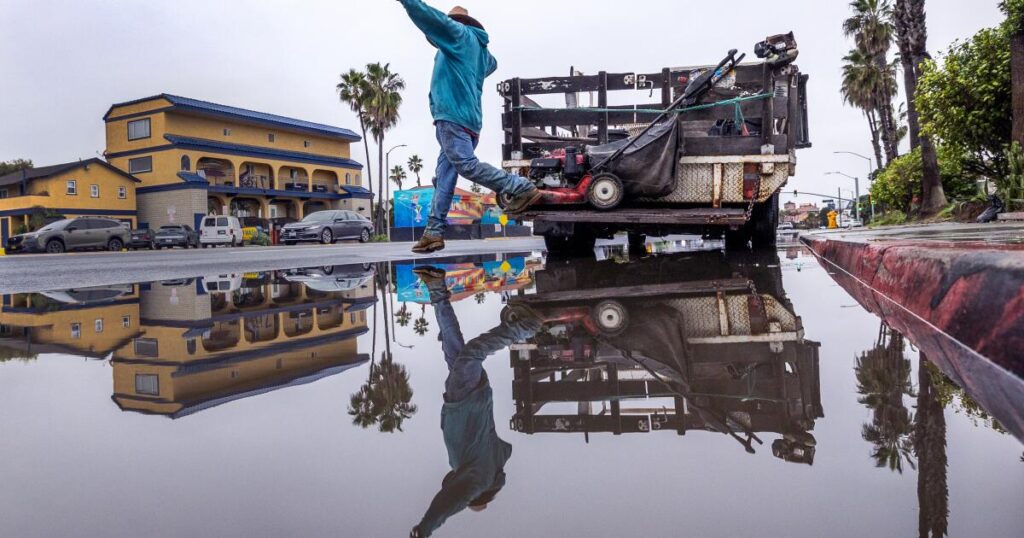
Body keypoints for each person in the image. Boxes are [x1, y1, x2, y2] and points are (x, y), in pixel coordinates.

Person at [396, 1, 543, 254]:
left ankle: (519, 186)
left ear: (457, 24)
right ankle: (433, 232)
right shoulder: (476, 49)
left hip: (453, 117)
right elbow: (492, 63)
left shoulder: (458, 35)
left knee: (465, 164)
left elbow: (428, 17)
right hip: (468, 119)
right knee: (444, 178)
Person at [409, 266, 542, 537]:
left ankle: (436, 287)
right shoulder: (478, 480)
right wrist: (425, 528)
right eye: (471, 498)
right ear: (480, 493)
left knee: (453, 343)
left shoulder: (485, 465)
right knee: (472, 353)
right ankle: (522, 329)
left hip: (465, 397)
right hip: (466, 399)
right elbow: (450, 503)